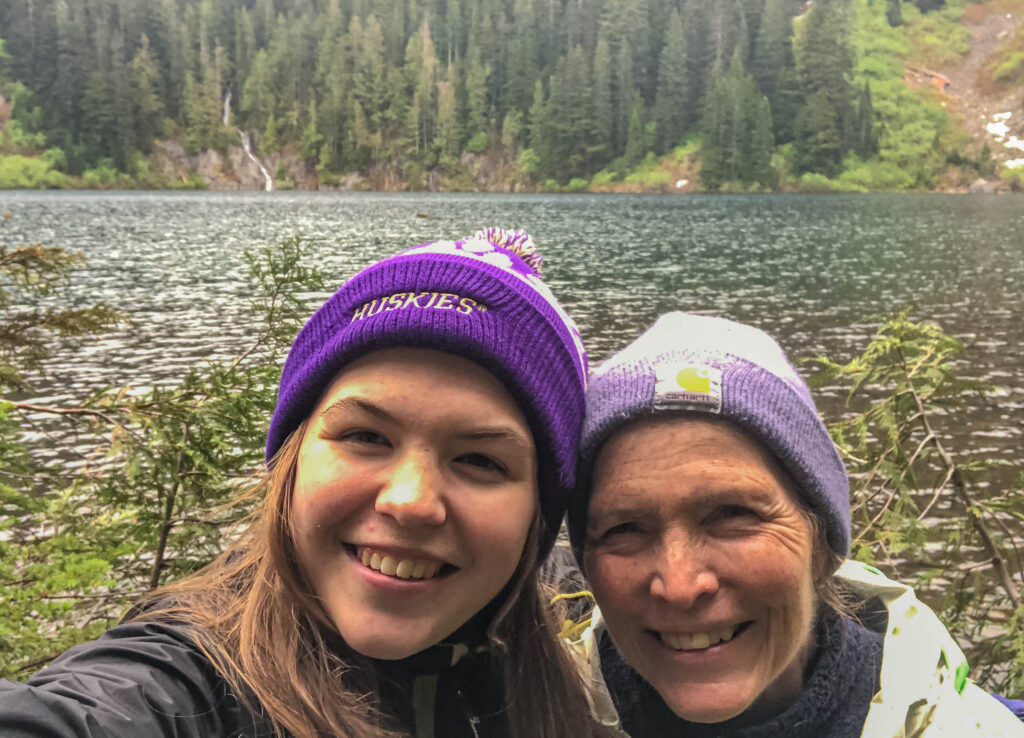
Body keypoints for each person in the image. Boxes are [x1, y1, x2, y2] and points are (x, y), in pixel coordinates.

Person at [0, 228, 600, 738]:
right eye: (366, 436)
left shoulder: (553, 679)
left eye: (481, 461)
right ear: (290, 461)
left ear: (538, 515)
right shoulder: (187, 681)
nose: (410, 501)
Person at [564, 311, 1024, 738]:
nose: (680, 586)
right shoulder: (528, 713)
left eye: (733, 515)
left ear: (821, 545)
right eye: (625, 529)